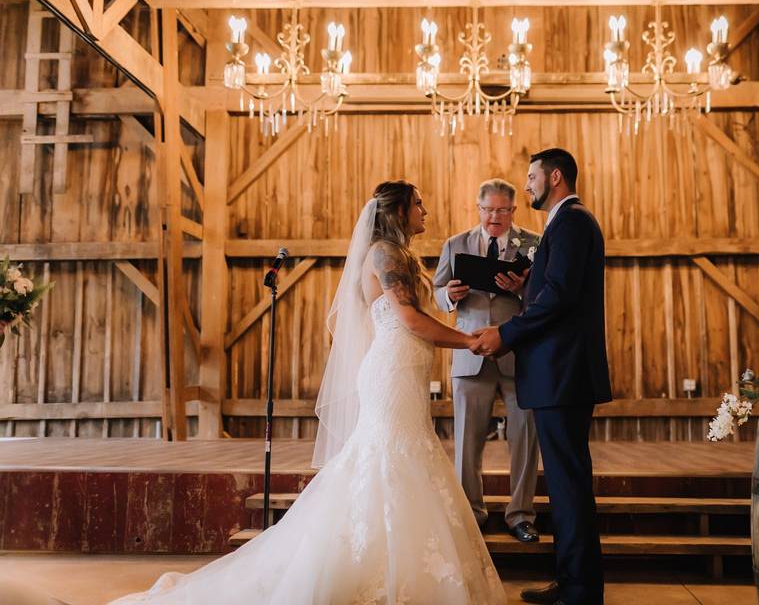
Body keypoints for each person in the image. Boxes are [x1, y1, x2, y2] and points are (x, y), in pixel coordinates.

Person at [110, 181, 506, 605]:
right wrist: (468, 341)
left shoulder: (401, 254)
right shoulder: (384, 253)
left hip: (405, 369)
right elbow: (408, 318)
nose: (424, 211)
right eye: (418, 204)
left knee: (397, 457)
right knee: (389, 457)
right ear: (397, 211)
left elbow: (415, 319)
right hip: (392, 371)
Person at [472, 148, 612, 605]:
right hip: (559, 372)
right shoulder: (566, 222)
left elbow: (560, 297)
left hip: (563, 373)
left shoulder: (571, 221)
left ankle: (581, 591)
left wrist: (507, 332)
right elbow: (552, 289)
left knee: (569, 485)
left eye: (531, 177)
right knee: (565, 483)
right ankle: (573, 582)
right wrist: (525, 286)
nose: (527, 184)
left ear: (554, 177)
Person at [434, 178, 541, 543]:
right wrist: (449, 295)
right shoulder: (455, 244)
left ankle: (521, 514)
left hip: (518, 353)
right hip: (471, 353)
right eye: (488, 209)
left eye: (502, 210)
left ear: (514, 210)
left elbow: (544, 299)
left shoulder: (533, 244)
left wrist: (522, 289)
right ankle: (472, 513)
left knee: (525, 436)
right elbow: (434, 293)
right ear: (477, 209)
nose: (494, 216)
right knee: (467, 439)